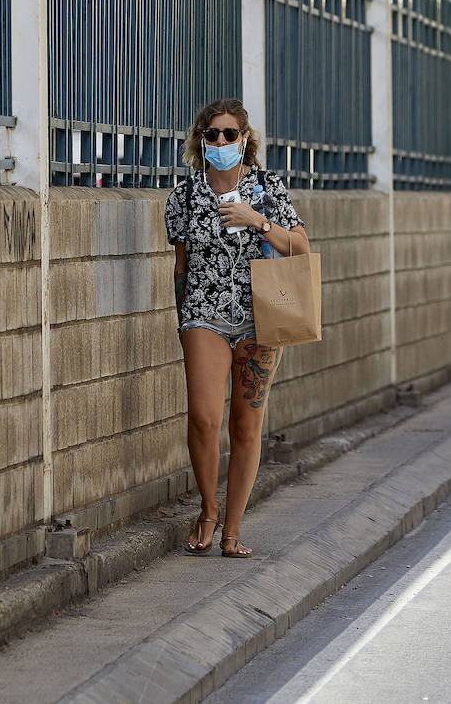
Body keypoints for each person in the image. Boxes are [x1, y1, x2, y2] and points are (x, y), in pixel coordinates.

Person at [164, 98, 309, 559]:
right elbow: (180, 265)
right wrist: (185, 318)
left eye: (230, 134)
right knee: (205, 418)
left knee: (247, 426)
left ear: (246, 139)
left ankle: (232, 530)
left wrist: (257, 220)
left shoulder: (266, 188)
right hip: (205, 313)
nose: (221, 142)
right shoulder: (185, 196)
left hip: (261, 316)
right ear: (200, 140)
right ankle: (208, 509)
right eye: (212, 135)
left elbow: (300, 247)